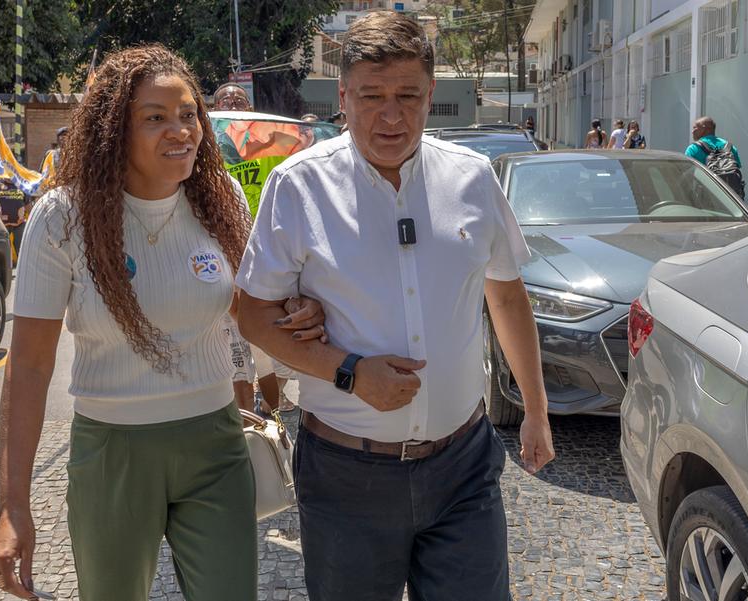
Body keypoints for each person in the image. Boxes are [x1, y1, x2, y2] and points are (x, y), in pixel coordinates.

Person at [0, 44, 327, 601]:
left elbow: (252, 314)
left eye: (189, 115)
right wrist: (13, 508)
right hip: (111, 456)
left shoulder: (223, 202)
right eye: (155, 118)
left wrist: (297, 312)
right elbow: (26, 368)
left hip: (216, 445)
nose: (181, 131)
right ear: (113, 131)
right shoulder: (61, 219)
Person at [235, 12, 555, 601]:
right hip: (344, 476)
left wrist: (534, 408)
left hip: (463, 468)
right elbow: (250, 312)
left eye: (408, 96)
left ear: (431, 93)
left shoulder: (473, 179)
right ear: (343, 96)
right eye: (372, 96)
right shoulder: (298, 186)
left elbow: (506, 293)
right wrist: (349, 372)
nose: (391, 116)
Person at [686, 115, 746, 199]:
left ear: (704, 128)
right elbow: (737, 169)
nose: (692, 131)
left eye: (695, 128)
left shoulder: (693, 148)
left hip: (706, 201)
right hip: (731, 201)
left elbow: (687, 178)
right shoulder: (730, 147)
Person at [0, 176, 32, 261]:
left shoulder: (22, 185)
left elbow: (28, 204)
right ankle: (6, 270)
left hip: (20, 224)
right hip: (1, 225)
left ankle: (22, 270)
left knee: (22, 247)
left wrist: (32, 217)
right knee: (3, 248)